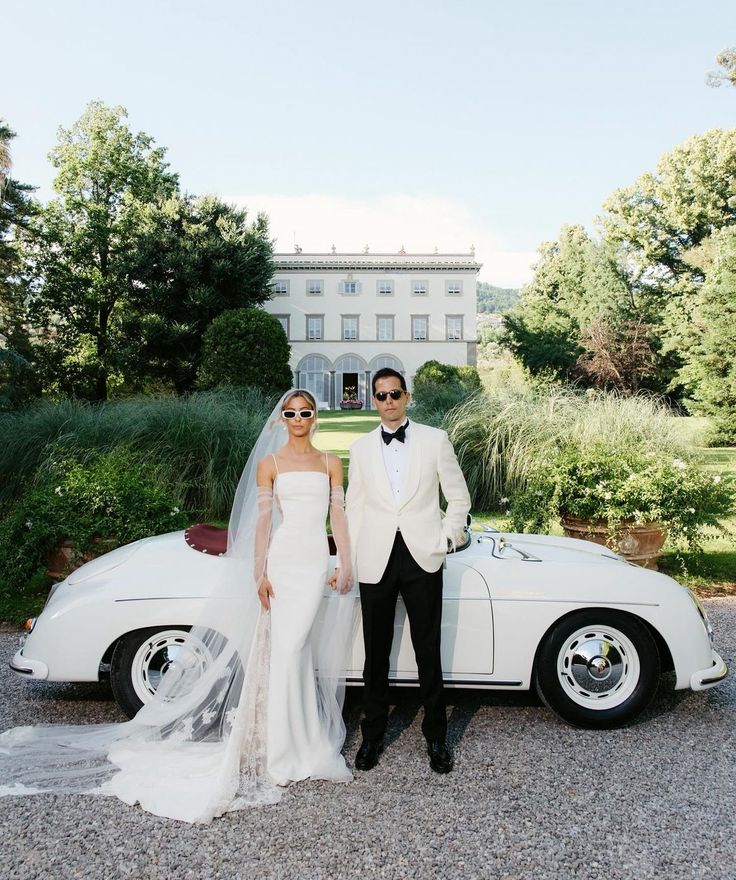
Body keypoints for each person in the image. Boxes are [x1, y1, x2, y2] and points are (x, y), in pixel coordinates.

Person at [0, 389, 356, 823]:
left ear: (315, 417)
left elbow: (337, 516)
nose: (298, 417)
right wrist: (258, 573)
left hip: (314, 560)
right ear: (282, 419)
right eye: (291, 412)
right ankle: (282, 747)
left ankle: (304, 740)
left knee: (297, 650)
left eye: (305, 412)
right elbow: (263, 522)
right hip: (282, 564)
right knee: (287, 648)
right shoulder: (272, 464)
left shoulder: (329, 462)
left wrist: (345, 562)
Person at [346, 368, 471, 774]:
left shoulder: (436, 440)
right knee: (375, 654)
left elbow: (458, 497)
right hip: (375, 558)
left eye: (395, 393)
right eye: (381, 396)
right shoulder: (361, 447)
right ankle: (373, 736)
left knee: (427, 650)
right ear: (373, 400)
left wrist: (448, 538)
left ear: (407, 396)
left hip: (423, 555)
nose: (388, 401)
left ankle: (436, 737)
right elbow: (354, 507)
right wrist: (347, 558)